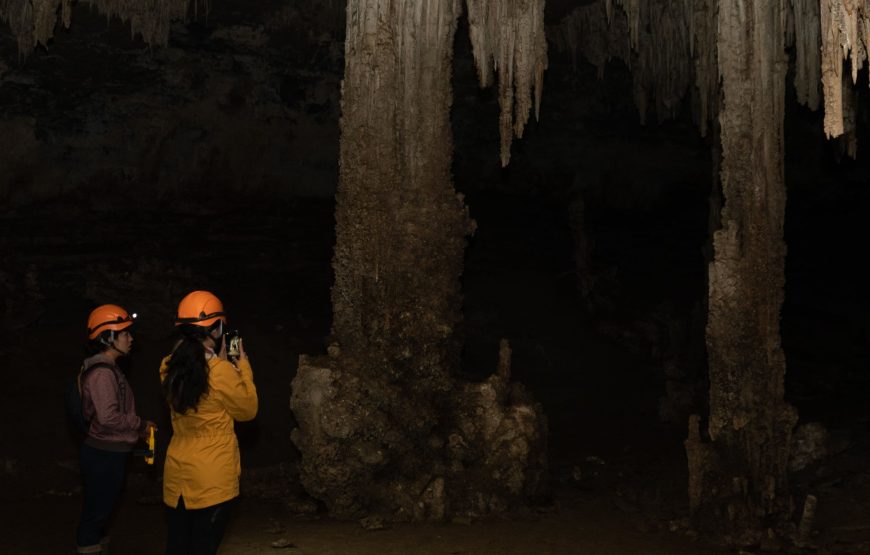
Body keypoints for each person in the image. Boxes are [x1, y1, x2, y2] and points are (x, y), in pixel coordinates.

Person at [160, 290, 258, 554]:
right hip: (212, 476)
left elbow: (195, 370)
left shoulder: (167, 367)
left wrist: (220, 363)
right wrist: (242, 366)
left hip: (178, 474)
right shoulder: (221, 372)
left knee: (178, 546)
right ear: (216, 329)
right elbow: (247, 410)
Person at [76, 304, 156, 555]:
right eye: (124, 334)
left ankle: (94, 544)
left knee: (102, 507)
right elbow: (108, 417)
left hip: (109, 450)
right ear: (107, 337)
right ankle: (88, 547)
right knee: (97, 510)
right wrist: (140, 424)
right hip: (104, 453)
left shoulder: (108, 369)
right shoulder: (102, 373)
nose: (130, 338)